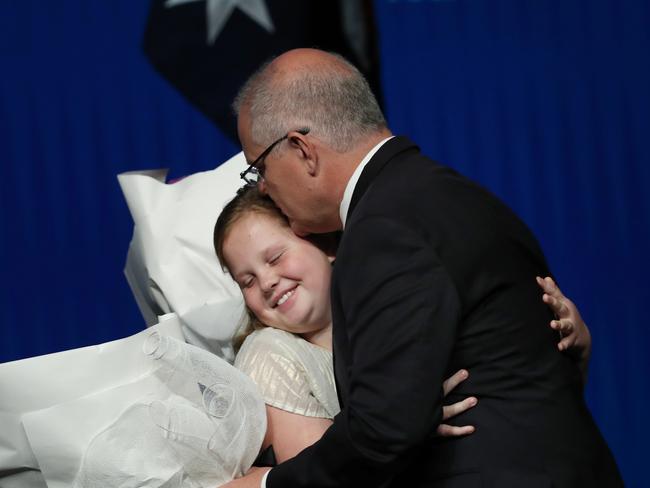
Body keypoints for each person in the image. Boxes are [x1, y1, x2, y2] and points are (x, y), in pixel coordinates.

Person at [223, 48, 623, 488]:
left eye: (258, 168)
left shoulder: (381, 229)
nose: (263, 186)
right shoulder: (461, 196)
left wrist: (266, 485)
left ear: (302, 150)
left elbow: (386, 428)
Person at [215, 186, 596, 480]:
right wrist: (406, 426)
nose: (266, 281)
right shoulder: (269, 354)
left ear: (324, 244)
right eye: (246, 280)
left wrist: (575, 352)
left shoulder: (391, 323)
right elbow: (324, 478)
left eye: (275, 257)